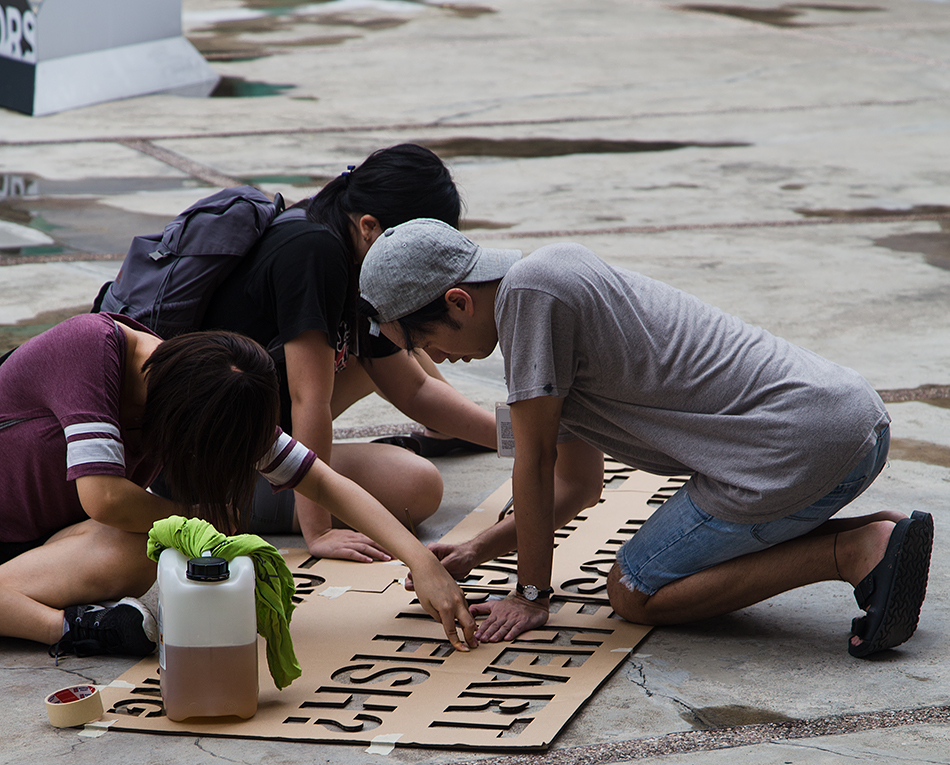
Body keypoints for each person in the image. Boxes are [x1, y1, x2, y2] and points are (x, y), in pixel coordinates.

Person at [358, 219, 933, 658]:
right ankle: (883, 534)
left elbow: (531, 462)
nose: (433, 358)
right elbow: (578, 485)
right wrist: (477, 549)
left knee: (633, 592)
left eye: (422, 340)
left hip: (792, 451)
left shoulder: (532, 300)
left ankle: (852, 551)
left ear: (458, 300)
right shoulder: (545, 289)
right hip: (848, 428)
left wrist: (530, 595)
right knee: (643, 574)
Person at [0, 312, 476, 659]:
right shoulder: (88, 351)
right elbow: (102, 498)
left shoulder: (212, 390)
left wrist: (420, 561)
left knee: (148, 550)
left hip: (49, 529)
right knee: (164, 531)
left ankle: (31, 595)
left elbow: (326, 484)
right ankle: (71, 627)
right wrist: (201, 519)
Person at [197, 143, 499, 561]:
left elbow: (412, 390)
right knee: (418, 487)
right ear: (371, 227)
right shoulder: (313, 251)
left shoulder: (347, 239)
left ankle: (448, 431)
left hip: (263, 414)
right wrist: (317, 530)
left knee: (402, 333)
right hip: (218, 459)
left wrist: (525, 440)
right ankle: (218, 506)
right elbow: (309, 399)